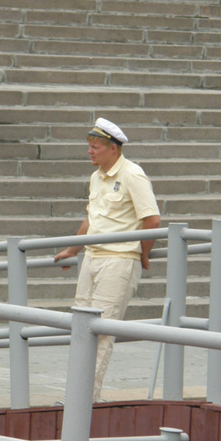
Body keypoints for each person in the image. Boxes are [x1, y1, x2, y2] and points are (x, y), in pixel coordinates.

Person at [53, 118, 161, 402]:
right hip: (92, 256)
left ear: (113, 148)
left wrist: (143, 252)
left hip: (119, 260)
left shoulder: (132, 174)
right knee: (81, 329)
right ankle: (77, 394)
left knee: (101, 332)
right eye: (89, 146)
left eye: (95, 147)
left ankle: (84, 398)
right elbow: (94, 218)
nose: (90, 152)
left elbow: (151, 219)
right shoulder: (97, 176)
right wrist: (73, 249)